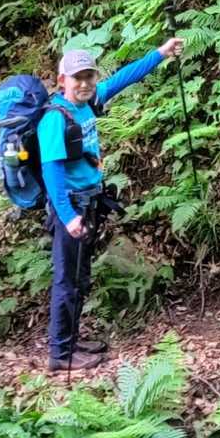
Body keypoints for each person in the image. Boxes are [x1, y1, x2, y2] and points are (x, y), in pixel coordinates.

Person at [39, 38, 186, 371]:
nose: (84, 83)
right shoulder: (55, 119)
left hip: (88, 203)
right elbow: (52, 173)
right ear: (62, 80)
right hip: (70, 208)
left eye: (89, 76)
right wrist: (69, 217)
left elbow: (125, 77)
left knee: (80, 277)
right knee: (67, 280)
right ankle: (60, 354)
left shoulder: (90, 101)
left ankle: (71, 342)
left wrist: (160, 53)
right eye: (77, 78)